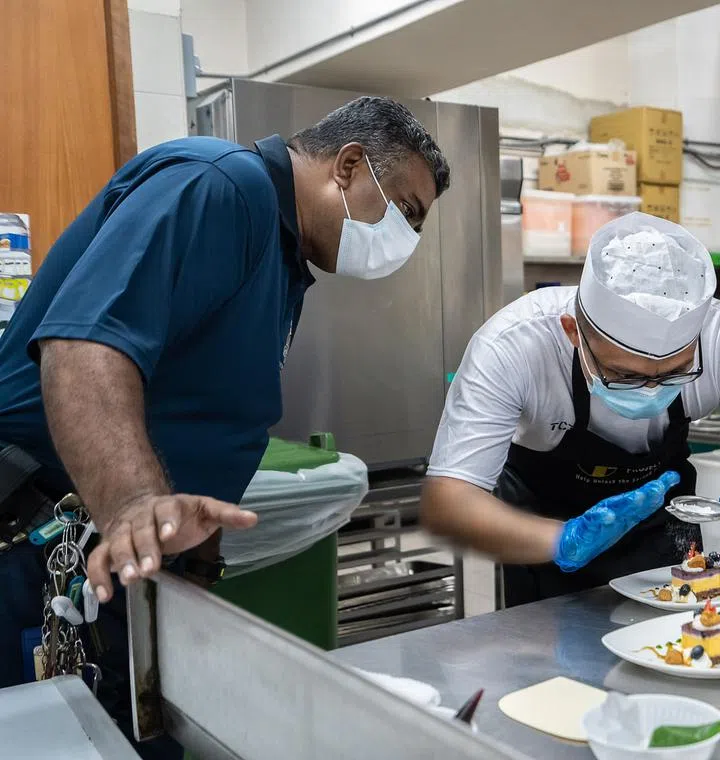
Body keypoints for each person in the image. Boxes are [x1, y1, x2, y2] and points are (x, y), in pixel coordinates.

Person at [0, 96, 450, 755]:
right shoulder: (218, 185)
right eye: (405, 212)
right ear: (350, 165)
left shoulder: (281, 260)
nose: (404, 241)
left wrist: (197, 560)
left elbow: (206, 415)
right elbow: (84, 347)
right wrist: (135, 505)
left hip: (122, 571)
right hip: (34, 546)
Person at [422, 212, 720, 606]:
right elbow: (449, 503)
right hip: (540, 541)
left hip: (664, 545)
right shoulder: (514, 346)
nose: (650, 392)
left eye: (675, 373)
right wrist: (564, 540)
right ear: (574, 332)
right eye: (624, 375)